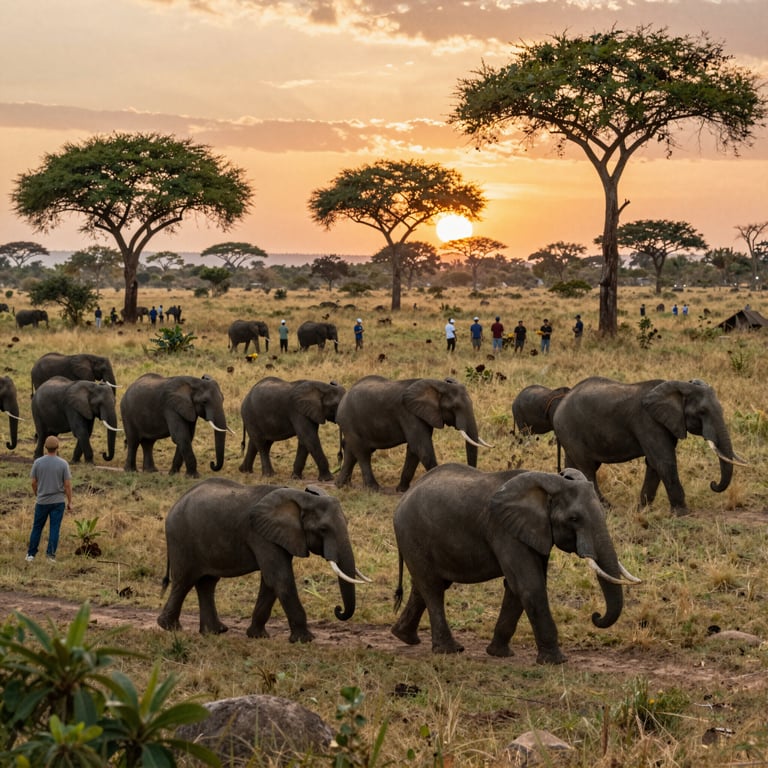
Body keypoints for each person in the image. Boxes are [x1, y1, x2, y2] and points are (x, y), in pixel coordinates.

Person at [26, 435, 72, 563]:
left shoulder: (38, 462)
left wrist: (37, 493)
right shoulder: (63, 464)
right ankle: (50, 555)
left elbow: (33, 482)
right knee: (54, 528)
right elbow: (67, 485)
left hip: (42, 501)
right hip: (58, 502)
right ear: (58, 447)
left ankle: (31, 554)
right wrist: (70, 502)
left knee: (37, 527)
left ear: (45, 447)